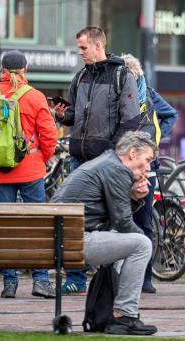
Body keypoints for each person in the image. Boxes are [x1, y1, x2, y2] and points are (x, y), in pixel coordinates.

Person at [52, 26, 139, 294]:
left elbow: (131, 121)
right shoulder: (80, 77)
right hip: (80, 160)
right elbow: (76, 117)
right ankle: (77, 279)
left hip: (108, 162)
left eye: (83, 48)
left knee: (111, 220)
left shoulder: (122, 76)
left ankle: (110, 281)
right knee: (77, 221)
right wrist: (62, 115)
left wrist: (112, 155)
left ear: (98, 46)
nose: (80, 53)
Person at [0, 50, 58, 299]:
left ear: (1, 70)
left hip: (0, 172)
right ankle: (40, 281)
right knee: (37, 225)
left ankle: (10, 283)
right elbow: (49, 136)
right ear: (25, 70)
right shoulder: (35, 97)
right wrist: (40, 158)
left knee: (6, 226)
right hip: (31, 168)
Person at [50, 132, 158, 335]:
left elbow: (116, 221)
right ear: (132, 153)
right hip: (72, 241)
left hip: (61, 239)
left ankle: (109, 315)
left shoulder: (107, 163)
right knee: (142, 244)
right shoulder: (117, 169)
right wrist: (144, 243)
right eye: (148, 160)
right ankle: (123, 316)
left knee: (130, 243)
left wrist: (133, 197)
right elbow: (124, 223)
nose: (148, 167)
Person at [120, 53, 178, 294]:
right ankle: (121, 276)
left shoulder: (150, 95)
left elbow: (171, 114)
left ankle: (144, 278)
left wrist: (154, 139)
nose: (128, 81)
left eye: (131, 76)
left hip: (146, 170)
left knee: (143, 222)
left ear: (137, 74)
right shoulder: (117, 96)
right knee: (120, 221)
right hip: (122, 166)